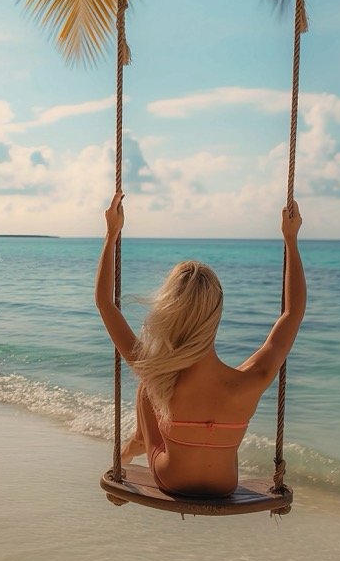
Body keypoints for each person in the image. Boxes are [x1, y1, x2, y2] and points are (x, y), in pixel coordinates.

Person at [94, 192, 305, 497]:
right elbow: (292, 314)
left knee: (148, 390)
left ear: (171, 314)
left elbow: (105, 304)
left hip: (172, 480)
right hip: (225, 486)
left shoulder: (153, 371)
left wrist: (111, 233)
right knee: (154, 389)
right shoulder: (252, 379)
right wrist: (291, 240)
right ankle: (132, 447)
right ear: (216, 316)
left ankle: (129, 451)